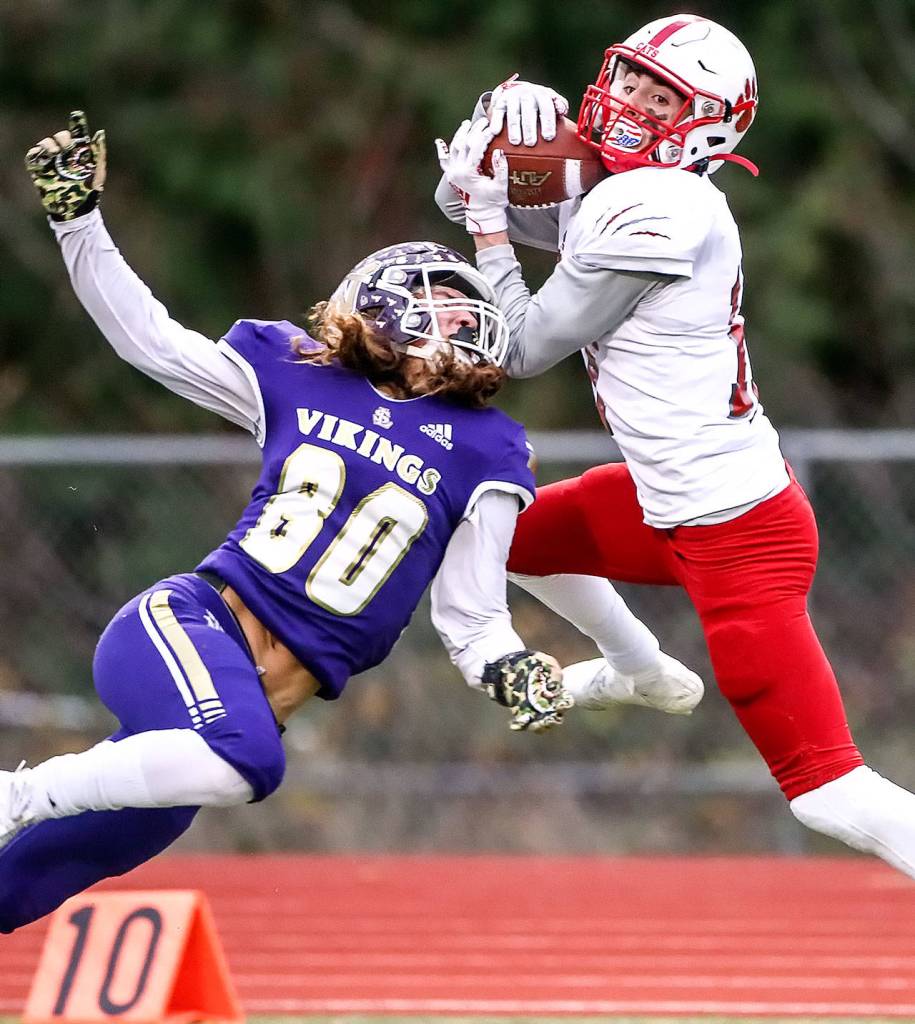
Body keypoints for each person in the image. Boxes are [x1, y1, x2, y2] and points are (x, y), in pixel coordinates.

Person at [0, 110, 699, 932]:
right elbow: (151, 341)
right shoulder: (302, 377)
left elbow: (472, 619)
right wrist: (78, 221)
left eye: (465, 306)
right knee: (243, 765)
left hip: (231, 717)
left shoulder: (488, 450)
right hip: (187, 628)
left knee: (21, 891)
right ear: (375, 308)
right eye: (435, 304)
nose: (459, 320)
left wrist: (514, 669)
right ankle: (17, 791)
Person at [435, 13, 915, 878]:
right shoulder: (620, 193)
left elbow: (521, 348)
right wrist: (492, 130)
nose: (632, 104)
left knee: (826, 790)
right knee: (493, 532)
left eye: (663, 97)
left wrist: (489, 225)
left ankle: (633, 666)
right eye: (629, 79)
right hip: (665, 496)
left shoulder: (667, 203)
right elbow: (469, 196)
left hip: (737, 532)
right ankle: (633, 666)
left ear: (709, 125)